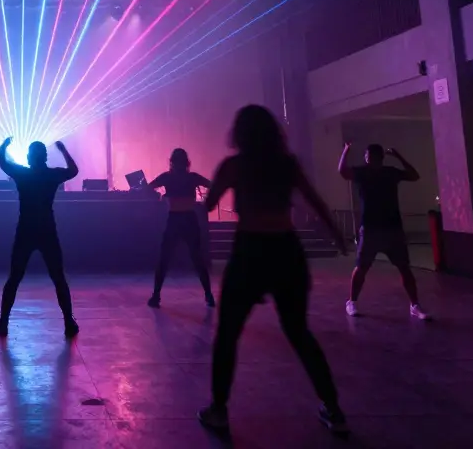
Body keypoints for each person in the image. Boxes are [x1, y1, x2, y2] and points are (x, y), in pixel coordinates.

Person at [197, 105, 349, 436]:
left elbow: (209, 205)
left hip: (250, 249)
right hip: (285, 249)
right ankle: (334, 410)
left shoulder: (234, 165)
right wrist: (337, 235)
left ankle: (219, 409)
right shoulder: (287, 164)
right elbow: (316, 202)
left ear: (239, 133)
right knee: (298, 331)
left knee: (228, 334)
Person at [0, 138, 80, 338]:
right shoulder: (52, 175)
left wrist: (4, 146)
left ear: (28, 157)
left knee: (14, 277)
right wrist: (64, 149)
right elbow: (74, 170)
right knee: (58, 277)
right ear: (45, 157)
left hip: (25, 229)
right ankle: (68, 321)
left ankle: (4, 322)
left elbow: (2, 162)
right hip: (47, 230)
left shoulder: (23, 174)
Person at [337, 142, 430, 320]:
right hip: (371, 227)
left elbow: (414, 175)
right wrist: (346, 150)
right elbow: (342, 171)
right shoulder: (363, 173)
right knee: (362, 267)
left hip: (392, 228)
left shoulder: (389, 173)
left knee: (404, 268)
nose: (367, 159)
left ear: (379, 157)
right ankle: (352, 302)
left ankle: (414, 305)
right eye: (366, 156)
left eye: (370, 156)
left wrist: (399, 157)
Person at [147, 148, 215, 308]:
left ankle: (156, 296)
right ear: (187, 162)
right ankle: (209, 295)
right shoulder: (193, 177)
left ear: (171, 162)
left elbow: (148, 188)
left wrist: (162, 198)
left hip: (174, 218)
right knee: (198, 259)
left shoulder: (167, 177)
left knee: (164, 259)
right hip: (190, 219)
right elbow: (212, 184)